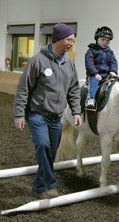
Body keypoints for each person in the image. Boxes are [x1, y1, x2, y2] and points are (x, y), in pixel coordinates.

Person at [14, 23, 82, 199]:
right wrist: (19, 114)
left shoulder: (70, 64)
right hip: (37, 114)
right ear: (58, 39)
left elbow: (74, 90)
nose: (71, 44)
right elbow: (23, 88)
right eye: (69, 40)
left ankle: (38, 185)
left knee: (50, 153)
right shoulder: (38, 60)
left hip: (56, 117)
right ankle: (50, 185)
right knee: (43, 146)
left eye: (72, 40)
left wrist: (76, 111)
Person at [84, 26, 118, 111]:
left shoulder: (110, 52)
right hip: (95, 74)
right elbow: (89, 64)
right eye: (102, 39)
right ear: (97, 39)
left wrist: (113, 71)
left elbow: (113, 62)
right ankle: (91, 100)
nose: (105, 42)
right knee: (94, 84)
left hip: (106, 75)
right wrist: (95, 73)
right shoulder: (91, 51)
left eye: (107, 40)